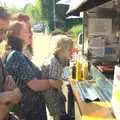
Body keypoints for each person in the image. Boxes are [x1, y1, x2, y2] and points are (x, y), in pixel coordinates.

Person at [0, 20, 62, 120]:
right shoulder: (16, 56)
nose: (30, 34)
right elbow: (35, 85)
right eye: (26, 31)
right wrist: (54, 83)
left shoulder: (17, 54)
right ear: (17, 35)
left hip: (31, 111)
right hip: (29, 113)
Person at [41, 34, 73, 120]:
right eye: (70, 49)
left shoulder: (64, 59)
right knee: (57, 113)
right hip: (51, 92)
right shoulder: (54, 61)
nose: (72, 51)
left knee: (61, 107)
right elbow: (52, 81)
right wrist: (61, 85)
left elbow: (65, 76)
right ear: (61, 50)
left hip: (56, 89)